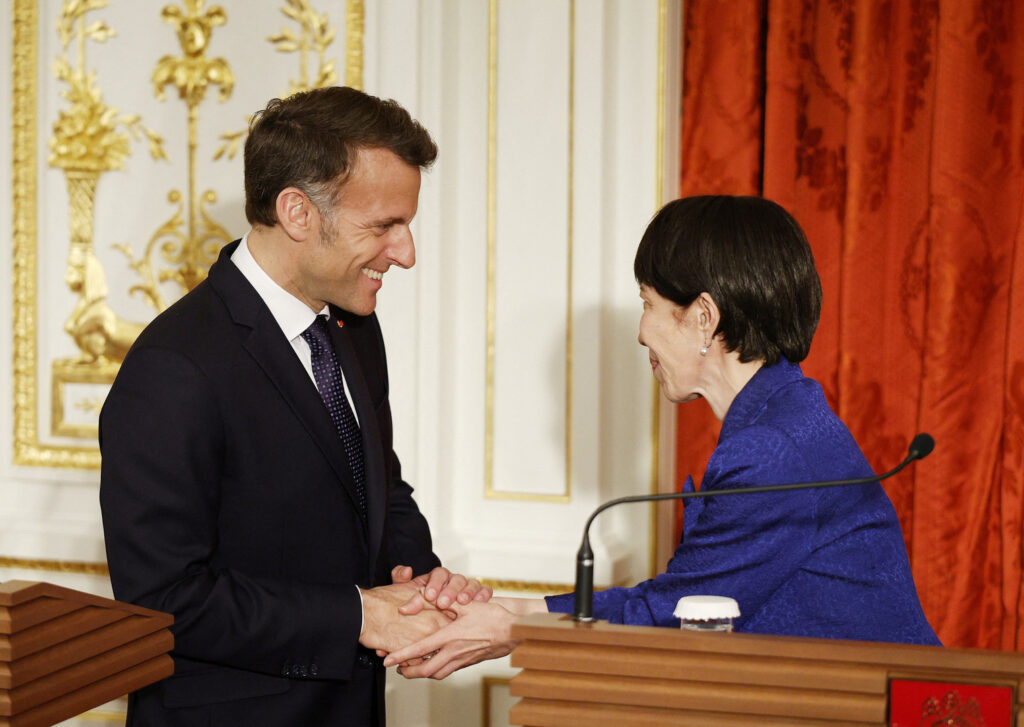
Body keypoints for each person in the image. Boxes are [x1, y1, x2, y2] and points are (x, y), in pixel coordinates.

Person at [382, 195, 940, 680]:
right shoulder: (787, 415)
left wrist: (512, 626)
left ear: (703, 317)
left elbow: (679, 610)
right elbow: (688, 599)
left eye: (648, 303)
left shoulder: (771, 450)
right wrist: (509, 611)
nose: (641, 331)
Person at [99, 86, 488, 726]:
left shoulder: (354, 328)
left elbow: (376, 486)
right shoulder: (174, 366)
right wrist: (358, 616)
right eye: (383, 226)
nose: (407, 253)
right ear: (298, 212)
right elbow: (165, 599)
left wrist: (423, 578)